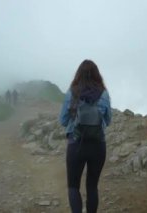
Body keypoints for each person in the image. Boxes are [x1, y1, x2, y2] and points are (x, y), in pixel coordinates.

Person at [59, 59, 112, 213]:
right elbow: (108, 121)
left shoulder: (72, 92)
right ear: (97, 75)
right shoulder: (104, 93)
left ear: (79, 74)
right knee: (92, 186)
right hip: (98, 144)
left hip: (76, 144)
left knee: (73, 186)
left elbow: (63, 121)